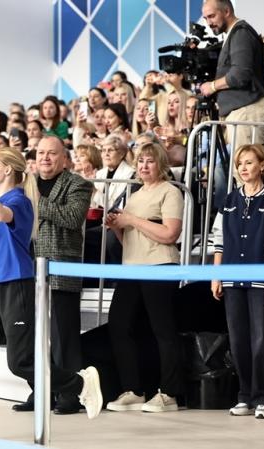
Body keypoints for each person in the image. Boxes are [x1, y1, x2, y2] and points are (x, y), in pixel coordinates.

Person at [0, 148, 101, 436]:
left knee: (20, 363)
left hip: (16, 286)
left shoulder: (19, 200)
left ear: (8, 170)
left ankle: (80, 384)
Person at [211, 144, 264, 419]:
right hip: (232, 279)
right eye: (240, 164)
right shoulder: (228, 200)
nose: (243, 168)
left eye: (249, 162)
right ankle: (245, 395)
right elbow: (219, 241)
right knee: (238, 341)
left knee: (262, 340)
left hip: (263, 280)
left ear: (262, 165)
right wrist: (216, 275)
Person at [11, 136, 95, 414]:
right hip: (28, 269)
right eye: (41, 153)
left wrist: (34, 203)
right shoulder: (25, 184)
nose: (45, 158)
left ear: (64, 158)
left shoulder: (78, 184)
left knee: (63, 338)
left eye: (52, 153)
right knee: (33, 337)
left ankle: (71, 395)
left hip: (61, 268)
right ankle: (41, 392)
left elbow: (72, 218)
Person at [104, 142, 185, 413]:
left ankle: (170, 393)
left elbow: (170, 234)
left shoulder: (170, 191)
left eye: (150, 161)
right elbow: (130, 239)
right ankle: (133, 389)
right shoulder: (135, 195)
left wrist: (131, 221)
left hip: (160, 265)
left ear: (161, 164)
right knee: (119, 324)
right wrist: (117, 227)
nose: (144, 166)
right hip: (132, 266)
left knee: (163, 329)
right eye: (140, 161)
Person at [199, 0, 264, 146]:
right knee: (237, 161)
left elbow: (240, 74)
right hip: (242, 113)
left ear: (227, 11)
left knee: (246, 161)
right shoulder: (234, 34)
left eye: (212, 16)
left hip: (247, 112)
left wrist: (212, 86)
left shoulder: (241, 33)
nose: (209, 23)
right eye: (206, 18)